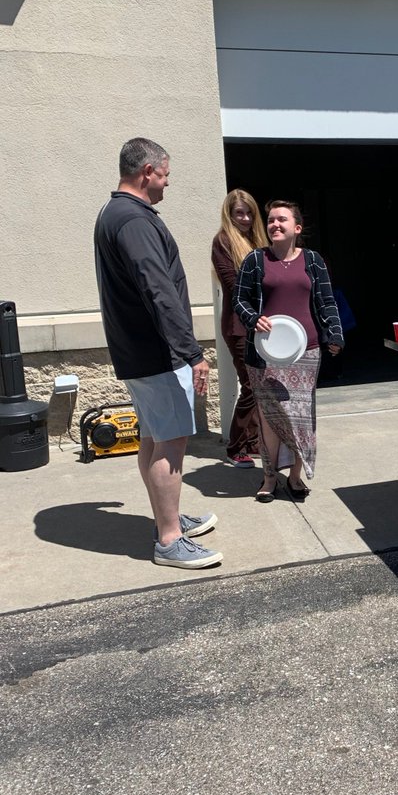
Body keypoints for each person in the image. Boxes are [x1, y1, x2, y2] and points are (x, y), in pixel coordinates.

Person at [94, 138, 222, 568]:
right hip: (157, 354)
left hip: (140, 352)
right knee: (171, 441)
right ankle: (169, 540)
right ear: (147, 171)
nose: (168, 184)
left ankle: (168, 519)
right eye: (165, 174)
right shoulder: (132, 220)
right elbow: (158, 290)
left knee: (152, 438)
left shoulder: (115, 213)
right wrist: (191, 352)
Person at [233, 200, 343, 503]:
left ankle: (294, 476)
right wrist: (253, 319)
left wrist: (334, 333)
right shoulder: (255, 260)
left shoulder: (313, 260)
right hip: (264, 354)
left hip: (305, 351)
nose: (274, 225)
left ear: (297, 227)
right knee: (269, 417)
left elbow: (326, 301)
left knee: (300, 417)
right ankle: (269, 477)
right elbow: (239, 300)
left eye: (281, 220)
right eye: (270, 220)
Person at [211, 190, 268, 466]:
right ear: (229, 214)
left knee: (261, 384)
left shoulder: (257, 241)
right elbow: (234, 287)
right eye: (239, 213)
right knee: (251, 385)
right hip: (238, 325)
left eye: (249, 213)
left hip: (264, 325)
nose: (245, 218)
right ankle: (235, 447)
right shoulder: (223, 241)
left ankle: (253, 442)